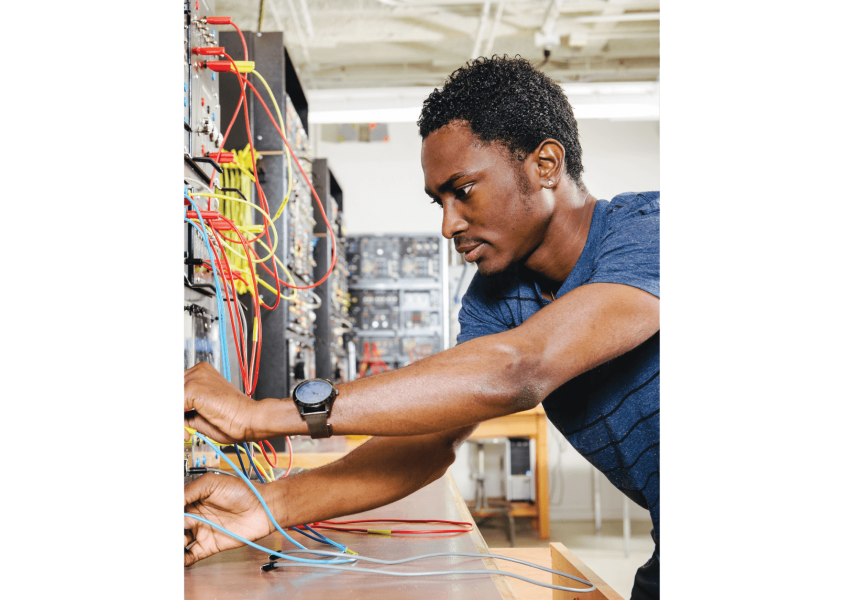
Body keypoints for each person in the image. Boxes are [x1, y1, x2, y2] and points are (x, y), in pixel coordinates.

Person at [183, 56, 661, 599]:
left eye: (464, 190)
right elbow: (429, 441)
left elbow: (520, 367)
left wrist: (264, 416)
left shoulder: (646, 232)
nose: (447, 224)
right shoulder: (498, 299)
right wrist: (270, 504)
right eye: (440, 200)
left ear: (546, 164)